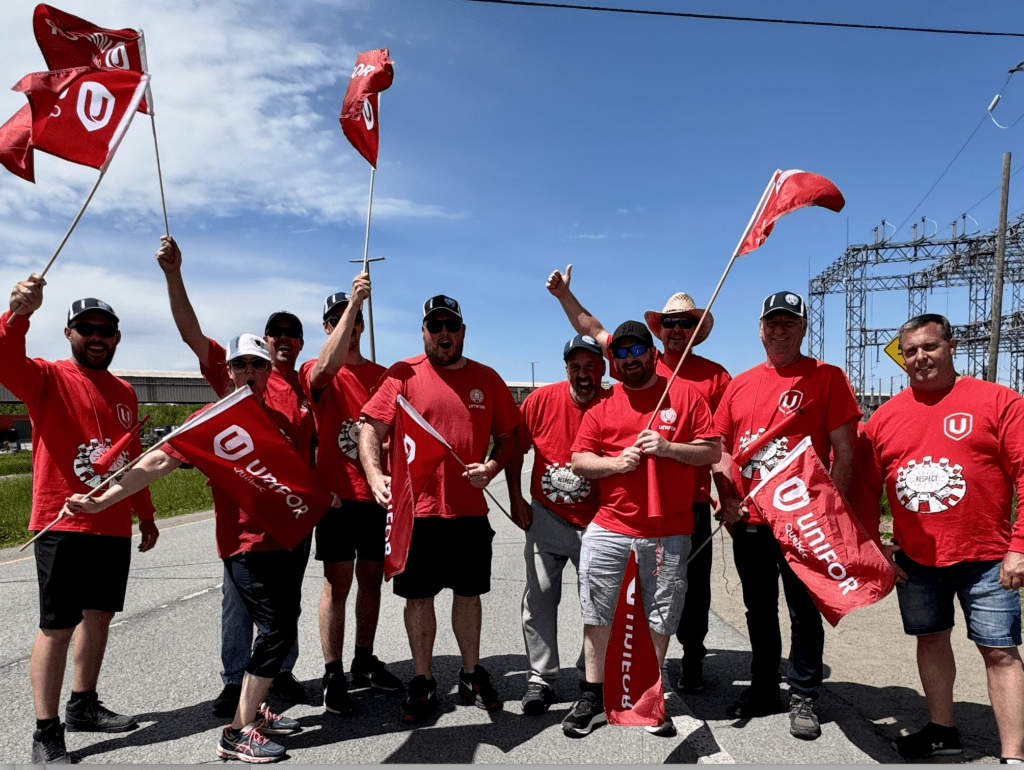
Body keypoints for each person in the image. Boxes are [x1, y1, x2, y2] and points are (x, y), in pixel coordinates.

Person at [65, 334, 309, 764]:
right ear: (227, 373)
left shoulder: (281, 417)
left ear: (269, 371)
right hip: (245, 544)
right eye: (240, 366)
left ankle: (255, 710)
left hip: (286, 541)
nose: (249, 373)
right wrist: (103, 500)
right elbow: (158, 461)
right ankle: (237, 733)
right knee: (276, 633)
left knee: (283, 625)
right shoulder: (210, 420)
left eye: (258, 365)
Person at [547, 265, 731, 693]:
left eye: (686, 323)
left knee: (688, 591)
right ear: (658, 332)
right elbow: (592, 328)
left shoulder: (713, 377)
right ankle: (614, 677)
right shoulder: (633, 356)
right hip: (629, 508)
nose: (677, 330)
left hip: (689, 501)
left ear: (696, 329)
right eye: (670, 323)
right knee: (620, 593)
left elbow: (721, 443)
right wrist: (563, 296)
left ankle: (691, 658)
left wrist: (728, 492)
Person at [2, 276, 157, 764]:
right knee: (57, 626)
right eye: (86, 327)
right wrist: (18, 314)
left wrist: (146, 514)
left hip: (111, 525)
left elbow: (130, 460)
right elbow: (5, 360)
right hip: (62, 521)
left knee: (100, 616)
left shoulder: (124, 391)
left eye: (106, 329)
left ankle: (82, 704)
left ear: (116, 337)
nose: (97, 335)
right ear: (69, 333)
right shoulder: (45, 377)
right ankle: (45, 731)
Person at [156, 235, 314, 716]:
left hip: (289, 520)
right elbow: (189, 330)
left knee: (286, 607)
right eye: (275, 331)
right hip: (241, 523)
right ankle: (234, 679)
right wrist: (173, 274)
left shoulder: (300, 391)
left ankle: (278, 673)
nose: (282, 337)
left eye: (292, 331)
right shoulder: (229, 383)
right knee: (237, 605)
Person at [857, 313, 1024, 762]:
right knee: (930, 640)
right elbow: (867, 492)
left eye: (929, 347)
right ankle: (941, 732)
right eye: (910, 351)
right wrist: (876, 548)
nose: (920, 358)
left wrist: (1020, 547)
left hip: (988, 559)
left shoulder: (997, 401)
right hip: (917, 560)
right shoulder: (885, 418)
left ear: (950, 346)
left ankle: (1013, 755)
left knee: (1000, 653)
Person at [359, 295, 521, 725]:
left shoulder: (487, 378)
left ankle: (470, 674)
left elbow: (508, 438)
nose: (444, 333)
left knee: (469, 596)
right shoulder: (402, 374)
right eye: (435, 326)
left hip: (468, 511)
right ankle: (423, 678)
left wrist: (491, 466)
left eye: (452, 325)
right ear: (424, 332)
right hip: (419, 513)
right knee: (418, 598)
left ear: (463, 331)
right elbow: (370, 430)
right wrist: (376, 477)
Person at [562, 320, 720, 738]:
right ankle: (591, 695)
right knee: (597, 611)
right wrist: (616, 464)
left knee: (661, 615)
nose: (630, 359)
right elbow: (579, 460)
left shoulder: (684, 396)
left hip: (668, 530)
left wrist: (668, 448)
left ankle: (649, 697)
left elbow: (712, 449)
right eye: (622, 353)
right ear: (613, 361)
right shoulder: (604, 404)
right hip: (610, 527)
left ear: (652, 354)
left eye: (638, 352)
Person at [714, 291, 860, 741]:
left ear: (802, 328)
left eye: (789, 323)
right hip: (753, 521)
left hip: (804, 522)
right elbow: (719, 449)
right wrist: (726, 498)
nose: (780, 330)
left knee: (803, 611)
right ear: (760, 329)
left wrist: (832, 511)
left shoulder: (827, 377)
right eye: (772, 323)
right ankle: (763, 689)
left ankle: (803, 694)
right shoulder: (739, 384)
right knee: (758, 609)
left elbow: (845, 449)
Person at [299, 276, 403, 715]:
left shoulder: (381, 376)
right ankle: (332, 670)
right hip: (338, 498)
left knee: (372, 584)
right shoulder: (317, 367)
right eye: (341, 320)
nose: (351, 326)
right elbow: (324, 372)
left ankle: (363, 659)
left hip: (375, 495)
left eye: (357, 320)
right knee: (337, 585)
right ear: (328, 326)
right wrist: (352, 303)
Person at [504, 333, 609, 715]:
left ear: (602, 369)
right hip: (546, 515)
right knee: (540, 598)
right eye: (576, 366)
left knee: (597, 603)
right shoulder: (539, 401)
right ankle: (541, 678)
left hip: (598, 521)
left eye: (591, 367)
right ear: (565, 368)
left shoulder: (613, 402)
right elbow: (516, 451)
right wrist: (516, 498)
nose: (583, 374)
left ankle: (591, 677)